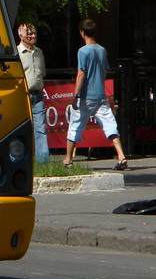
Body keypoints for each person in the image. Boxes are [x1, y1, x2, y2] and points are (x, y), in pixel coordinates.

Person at [63, 18, 128, 170]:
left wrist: (75, 94)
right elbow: (105, 71)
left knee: (75, 126)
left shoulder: (83, 51)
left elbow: (81, 73)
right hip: (101, 95)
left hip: (86, 96)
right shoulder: (102, 50)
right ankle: (121, 155)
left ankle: (68, 159)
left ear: (82, 33)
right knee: (110, 124)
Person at [17, 23, 49, 162]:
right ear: (21, 35)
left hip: (38, 94)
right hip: (22, 95)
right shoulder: (17, 53)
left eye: (34, 33)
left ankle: (43, 161)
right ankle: (20, 158)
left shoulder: (39, 52)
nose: (33, 36)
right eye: (29, 34)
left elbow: (42, 72)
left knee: (40, 128)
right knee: (21, 128)